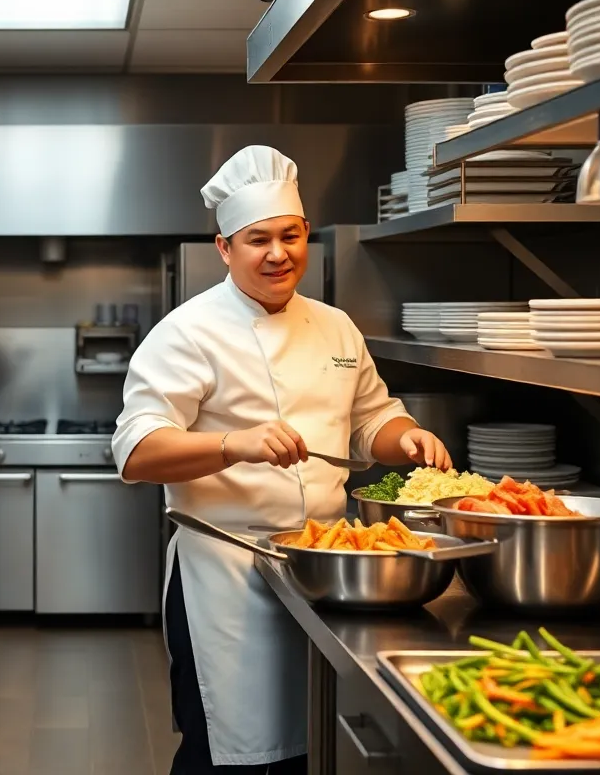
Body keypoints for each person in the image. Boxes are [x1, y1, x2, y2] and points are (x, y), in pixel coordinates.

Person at [111, 146, 452, 774]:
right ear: (225, 248)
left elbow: (371, 417)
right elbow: (135, 452)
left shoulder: (336, 327)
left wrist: (405, 439)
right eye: (258, 239)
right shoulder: (188, 332)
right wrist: (232, 444)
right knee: (228, 753)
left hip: (330, 568)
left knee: (314, 745)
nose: (278, 254)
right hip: (226, 574)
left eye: (290, 236)